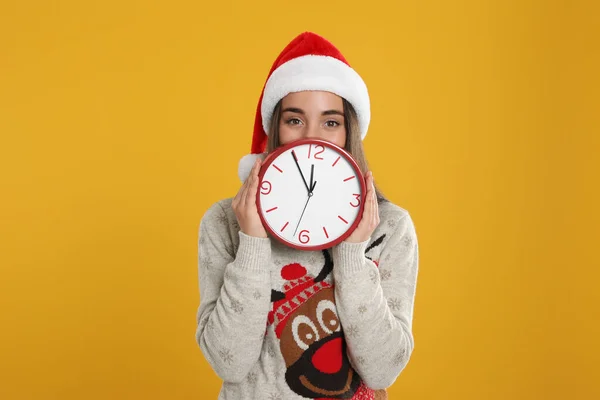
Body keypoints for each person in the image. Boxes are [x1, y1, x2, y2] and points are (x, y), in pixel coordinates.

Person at [195, 32, 420, 400]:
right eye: (295, 120)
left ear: (349, 133)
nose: (311, 138)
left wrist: (352, 252)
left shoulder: (389, 228)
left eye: (330, 122)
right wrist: (252, 243)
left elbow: (381, 369)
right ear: (275, 132)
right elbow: (230, 363)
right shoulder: (225, 223)